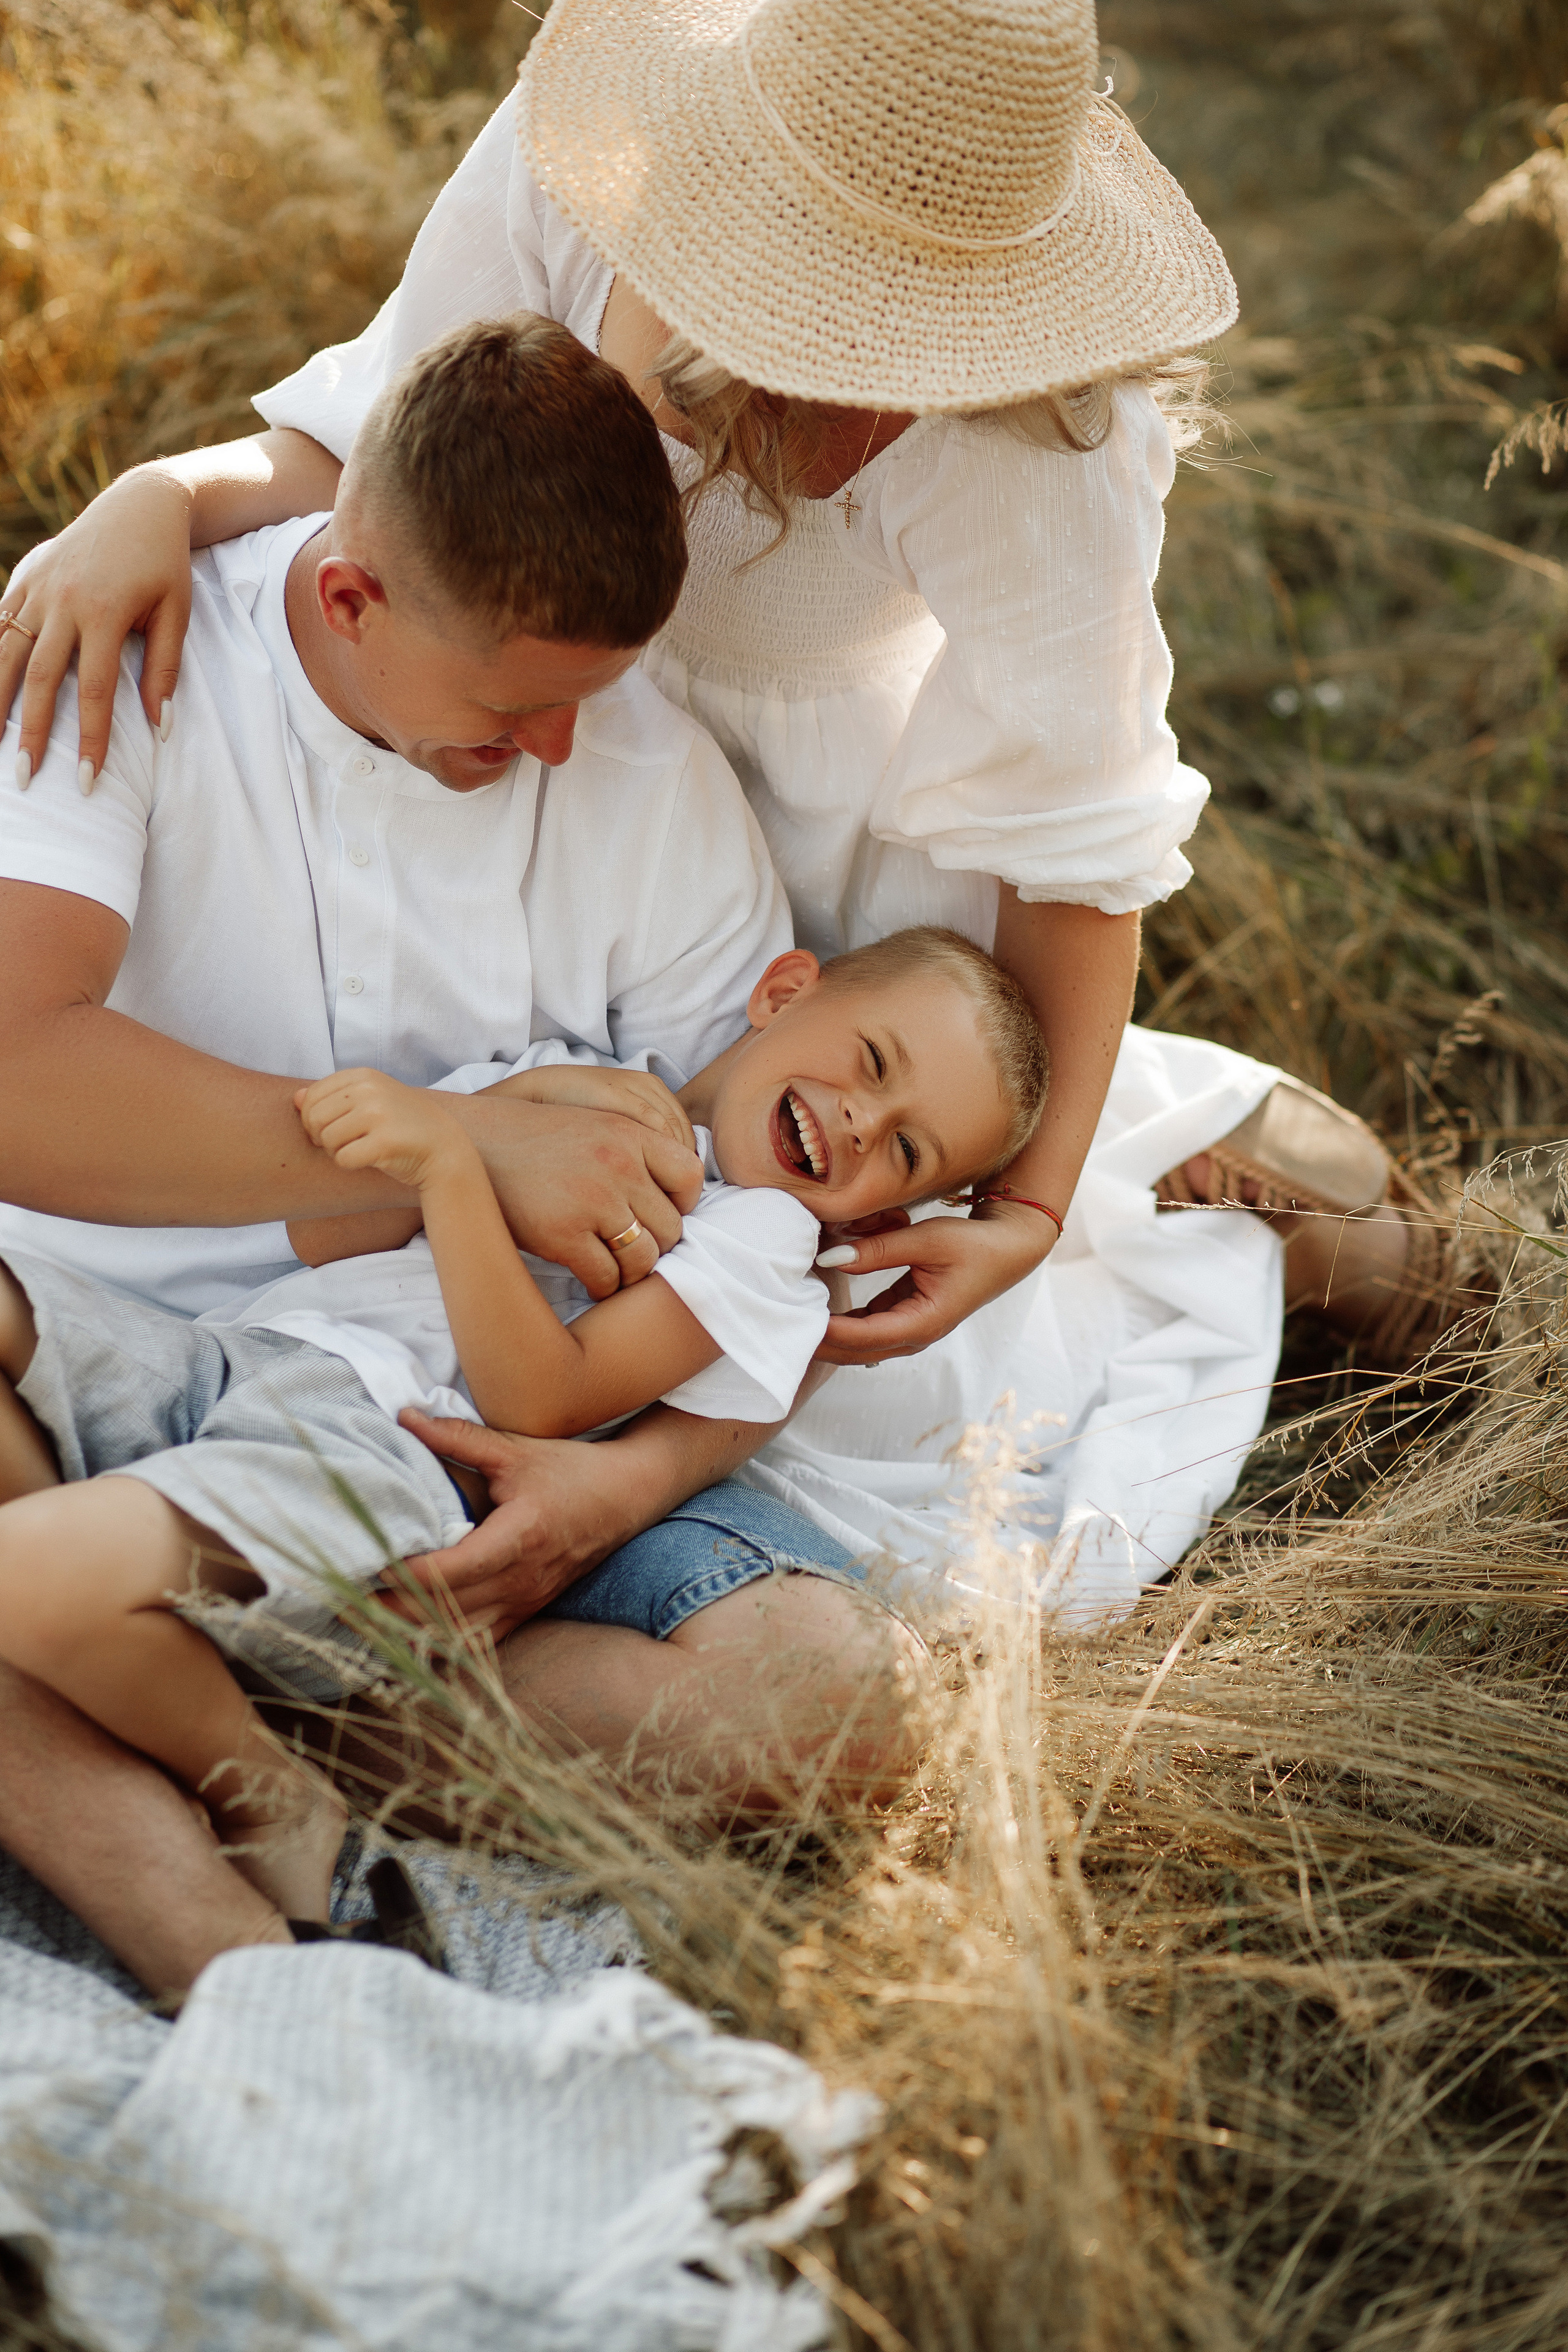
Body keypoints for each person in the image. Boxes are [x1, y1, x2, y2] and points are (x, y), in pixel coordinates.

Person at [0, 0, 1452, 1627]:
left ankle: (1193, 1191)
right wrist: (162, 498)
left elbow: (1075, 847)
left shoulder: (1050, 447)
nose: (858, 440)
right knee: (553, 1157)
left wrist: (1029, 1211)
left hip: (810, 849)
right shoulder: (591, 169)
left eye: (921, 368)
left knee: (842, 1288)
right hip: (531, 738)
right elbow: (395, 450)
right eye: (836, 351)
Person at [0, 313, 946, 1997]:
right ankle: (224, 1928)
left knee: (831, 1708)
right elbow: (16, 1076)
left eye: (589, 699)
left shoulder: (643, 776)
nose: (563, 750)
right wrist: (455, 1161)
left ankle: (188, 1696)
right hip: (88, 1330)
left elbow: (761, 1233)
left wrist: (626, 1483)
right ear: (352, 598)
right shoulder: (130, 658)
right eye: (512, 713)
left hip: (447, 1416)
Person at [0, 928, 1045, 1953]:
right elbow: (332, 1224)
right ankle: (174, 1670)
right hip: (238, 1356)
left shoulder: (765, 1247)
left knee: (33, 1578)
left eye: (906, 1149)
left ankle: (270, 1799)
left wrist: (455, 1167)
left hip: (384, 1440)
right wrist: (454, 1129)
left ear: (899, 1207)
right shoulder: (577, 1078)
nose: (863, 1120)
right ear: (783, 991)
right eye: (871, 1063)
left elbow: (543, 1395)